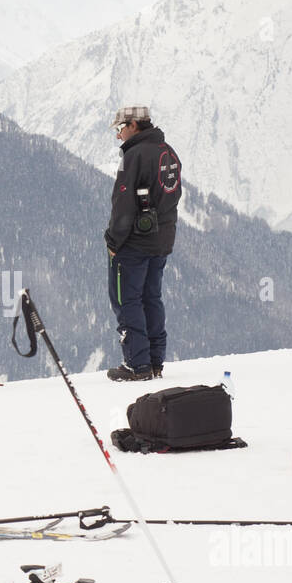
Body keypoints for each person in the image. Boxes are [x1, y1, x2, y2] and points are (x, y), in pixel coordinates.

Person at [103, 105, 183, 381]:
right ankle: (155, 361)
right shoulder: (168, 153)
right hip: (162, 241)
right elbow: (173, 196)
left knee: (127, 301)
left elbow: (123, 206)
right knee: (152, 298)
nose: (118, 135)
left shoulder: (134, 156)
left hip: (134, 243)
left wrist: (113, 241)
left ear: (134, 125)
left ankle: (137, 365)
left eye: (120, 129)